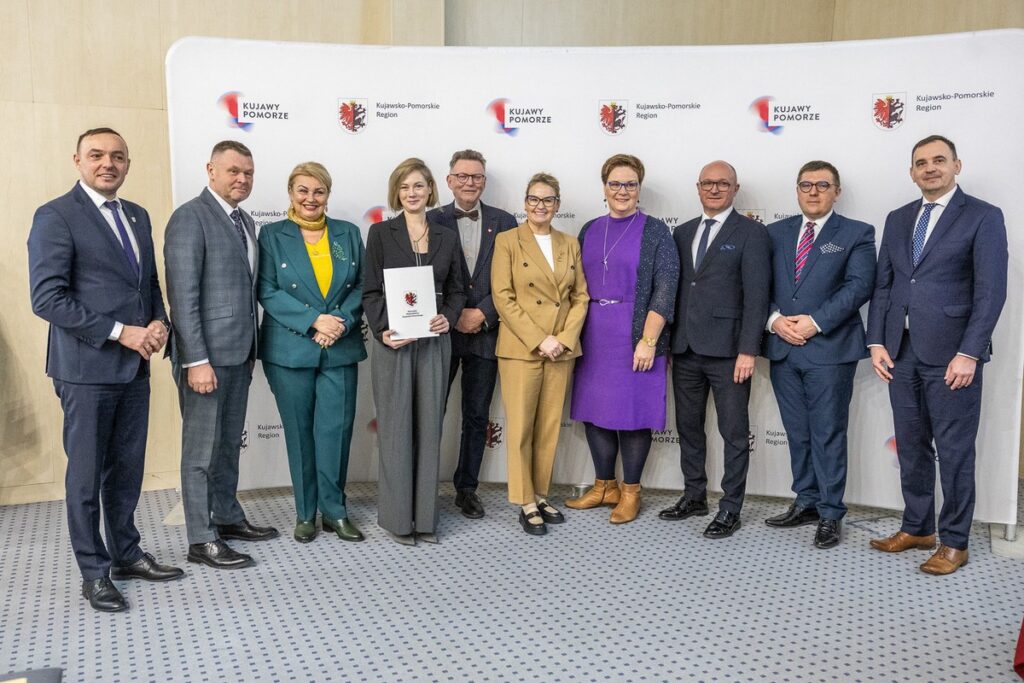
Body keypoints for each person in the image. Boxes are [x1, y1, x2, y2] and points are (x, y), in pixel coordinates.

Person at [28, 127, 183, 612]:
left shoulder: (136, 215)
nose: (108, 163)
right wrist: (123, 332)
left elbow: (148, 283)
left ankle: (127, 553)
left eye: (118, 156)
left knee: (127, 469)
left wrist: (158, 321)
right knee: (87, 474)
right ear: (77, 160)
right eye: (97, 155)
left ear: (128, 163)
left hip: (134, 368)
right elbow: (48, 298)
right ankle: (93, 573)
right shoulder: (56, 216)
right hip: (86, 369)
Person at [866, 135, 1007, 575]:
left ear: (956, 166)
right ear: (911, 172)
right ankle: (917, 528)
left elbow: (990, 290)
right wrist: (876, 341)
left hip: (952, 356)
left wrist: (969, 352)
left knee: (955, 449)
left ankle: (956, 542)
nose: (930, 168)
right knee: (911, 446)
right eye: (921, 162)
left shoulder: (982, 216)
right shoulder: (898, 217)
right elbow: (884, 285)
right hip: (901, 353)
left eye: (939, 161)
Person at [165, 140, 279, 570]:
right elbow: (184, 297)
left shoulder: (246, 221)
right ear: (210, 170)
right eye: (233, 171)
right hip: (205, 360)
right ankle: (200, 538)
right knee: (200, 453)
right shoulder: (189, 218)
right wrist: (196, 360)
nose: (242, 179)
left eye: (248, 173)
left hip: (239, 355)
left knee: (228, 444)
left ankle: (227, 517)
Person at [762, 161, 876, 549]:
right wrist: (775, 320)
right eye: (806, 185)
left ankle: (830, 512)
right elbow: (756, 284)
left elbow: (859, 286)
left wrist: (814, 322)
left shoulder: (856, 234)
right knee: (798, 433)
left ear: (836, 191)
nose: (813, 192)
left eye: (822, 185)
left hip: (829, 350)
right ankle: (806, 501)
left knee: (827, 433)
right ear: (797, 190)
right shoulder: (774, 233)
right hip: (783, 349)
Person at [257, 162, 367, 543]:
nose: (310, 198)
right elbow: (267, 290)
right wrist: (313, 321)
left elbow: (361, 287)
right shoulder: (271, 235)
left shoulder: (348, 233)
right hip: (289, 349)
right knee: (300, 434)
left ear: (328, 195)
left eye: (318, 191)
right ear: (291, 193)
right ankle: (306, 513)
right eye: (303, 190)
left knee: (335, 433)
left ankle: (335, 512)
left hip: (340, 345)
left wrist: (338, 321)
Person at [566, 154, 679, 523]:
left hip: (636, 333)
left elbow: (665, 287)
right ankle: (604, 486)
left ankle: (631, 491)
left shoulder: (656, 230)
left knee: (633, 415)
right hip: (594, 332)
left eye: (630, 184)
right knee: (594, 413)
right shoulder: (589, 229)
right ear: (604, 188)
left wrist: (648, 340)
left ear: (639, 188)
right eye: (615, 183)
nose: (622, 191)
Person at [661, 160, 771, 539]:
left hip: (729, 354)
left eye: (722, 184)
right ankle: (694, 495)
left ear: (735, 189)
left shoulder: (752, 234)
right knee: (689, 428)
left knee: (734, 432)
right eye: (707, 183)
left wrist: (748, 351)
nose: (714, 189)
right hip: (686, 349)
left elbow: (757, 298)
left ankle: (730, 507)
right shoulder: (684, 232)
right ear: (697, 187)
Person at [363, 158, 465, 545]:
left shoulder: (446, 237)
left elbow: (457, 290)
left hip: (434, 344)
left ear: (430, 191)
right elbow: (370, 291)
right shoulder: (380, 234)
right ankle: (398, 522)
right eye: (405, 187)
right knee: (395, 431)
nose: (412, 193)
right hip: (395, 346)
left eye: (419, 186)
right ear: (396, 192)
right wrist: (383, 330)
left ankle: (425, 520)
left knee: (428, 428)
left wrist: (449, 317)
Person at [492, 172, 589, 536]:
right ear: (525, 202)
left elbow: (581, 296)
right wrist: (540, 339)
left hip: (561, 349)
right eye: (534, 199)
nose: (540, 206)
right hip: (522, 348)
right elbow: (503, 297)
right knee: (520, 427)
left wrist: (563, 338)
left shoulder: (569, 243)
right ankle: (525, 499)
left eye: (548, 200)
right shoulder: (508, 241)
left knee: (548, 427)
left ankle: (542, 493)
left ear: (557, 205)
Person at [427, 150, 517, 519]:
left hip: (485, 332)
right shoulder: (429, 219)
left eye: (476, 176)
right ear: (448, 181)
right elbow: (421, 276)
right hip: (441, 332)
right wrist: (452, 314)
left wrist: (484, 313)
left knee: (477, 415)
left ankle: (467, 489)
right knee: (431, 413)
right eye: (462, 176)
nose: (469, 182)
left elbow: (515, 277)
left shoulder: (506, 221)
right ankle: (422, 488)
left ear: (484, 181)